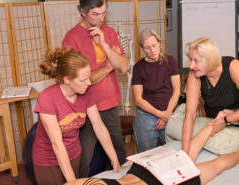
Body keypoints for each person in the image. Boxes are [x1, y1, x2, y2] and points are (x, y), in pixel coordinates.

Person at [32, 47, 122, 185]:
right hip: (48, 159)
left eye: (88, 77)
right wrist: (72, 181)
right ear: (67, 79)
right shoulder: (47, 98)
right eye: (83, 80)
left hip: (74, 154)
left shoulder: (87, 92)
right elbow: (57, 144)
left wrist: (114, 159)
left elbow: (99, 126)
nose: (89, 82)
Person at [62, 0, 128, 177]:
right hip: (85, 109)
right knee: (84, 160)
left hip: (110, 105)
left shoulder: (109, 32)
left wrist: (104, 45)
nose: (101, 18)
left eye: (104, 13)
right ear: (83, 12)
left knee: (119, 153)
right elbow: (80, 81)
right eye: (96, 14)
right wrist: (107, 67)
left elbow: (123, 66)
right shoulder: (72, 38)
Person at [64, 124, 239, 185]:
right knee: (186, 158)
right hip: (143, 171)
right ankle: (212, 125)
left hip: (152, 175)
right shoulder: (95, 183)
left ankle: (212, 125)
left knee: (216, 165)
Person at [182, 37, 239, 154]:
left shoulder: (233, 67)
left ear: (210, 59)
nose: (191, 66)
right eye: (190, 60)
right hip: (213, 119)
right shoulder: (195, 73)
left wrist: (226, 119)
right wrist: (185, 151)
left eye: (196, 61)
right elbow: (190, 114)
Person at [131, 28, 180, 152]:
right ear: (142, 48)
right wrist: (161, 115)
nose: (152, 50)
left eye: (154, 45)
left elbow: (176, 91)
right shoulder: (138, 67)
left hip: (169, 114)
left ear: (159, 43)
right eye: (147, 48)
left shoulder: (171, 61)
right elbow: (138, 99)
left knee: (173, 154)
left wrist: (166, 115)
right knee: (147, 156)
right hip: (146, 117)